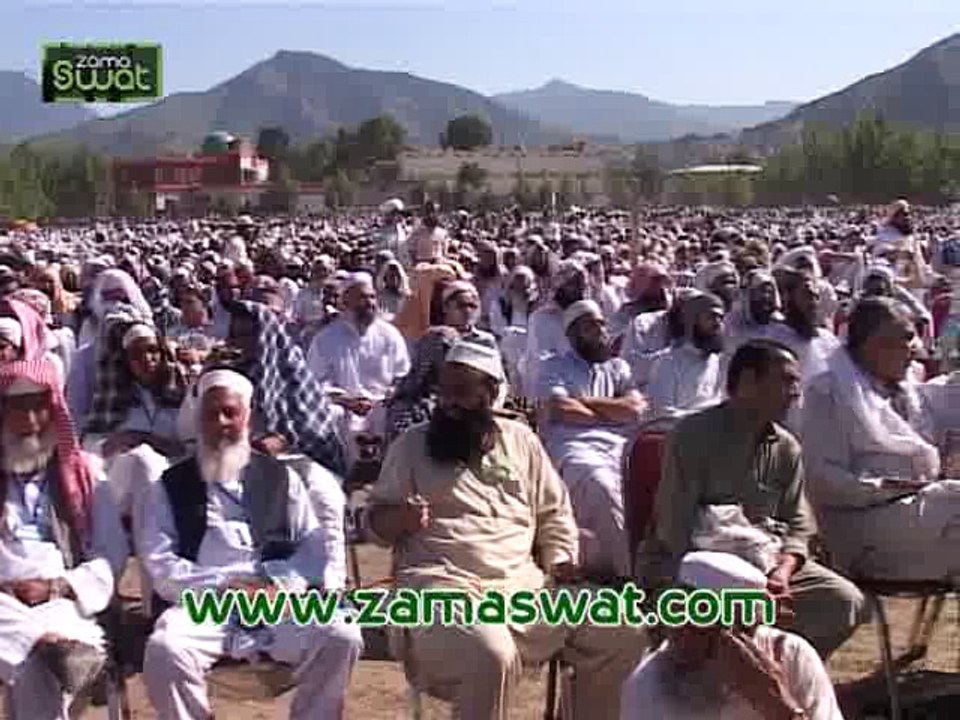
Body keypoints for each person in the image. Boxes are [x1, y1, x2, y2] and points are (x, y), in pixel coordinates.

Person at [368, 340, 645, 720]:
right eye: (443, 392)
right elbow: (375, 524)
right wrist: (400, 518)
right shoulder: (412, 445)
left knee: (624, 630)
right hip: (441, 588)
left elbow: (554, 513)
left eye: (461, 392)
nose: (447, 403)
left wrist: (560, 559)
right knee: (490, 651)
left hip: (524, 588)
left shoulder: (521, 441)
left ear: (491, 393)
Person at [140, 369, 363, 720]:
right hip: (205, 603)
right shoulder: (169, 484)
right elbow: (159, 561)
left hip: (277, 602)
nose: (220, 423)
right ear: (198, 420)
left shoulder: (282, 477)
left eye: (230, 413)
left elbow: (311, 546)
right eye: (211, 414)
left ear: (248, 417)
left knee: (341, 635)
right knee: (166, 648)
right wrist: (224, 585)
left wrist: (281, 585)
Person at [639, 340, 866, 659]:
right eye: (786, 380)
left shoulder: (786, 447)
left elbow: (799, 524)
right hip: (689, 566)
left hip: (768, 565)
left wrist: (782, 572)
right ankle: (721, 678)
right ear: (747, 381)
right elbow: (675, 529)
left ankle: (779, 673)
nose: (795, 393)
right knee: (716, 612)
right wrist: (746, 585)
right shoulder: (693, 435)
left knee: (843, 601)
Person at [0, 359, 126, 719]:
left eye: (39, 406)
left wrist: (56, 587)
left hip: (60, 599)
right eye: (18, 407)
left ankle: (43, 642)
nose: (31, 420)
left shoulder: (85, 474)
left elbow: (111, 555)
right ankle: (45, 642)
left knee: (35, 668)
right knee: (45, 655)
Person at [802, 297, 960, 580]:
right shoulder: (828, 392)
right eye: (905, 339)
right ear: (873, 345)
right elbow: (824, 482)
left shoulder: (907, 390)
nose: (913, 348)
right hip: (863, 522)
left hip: (917, 509)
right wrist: (888, 487)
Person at [621, 551, 843, 720]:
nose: (681, 637)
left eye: (700, 623)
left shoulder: (791, 656)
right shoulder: (648, 683)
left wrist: (778, 706)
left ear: (743, 635)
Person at [537, 300, 646, 577]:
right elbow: (561, 409)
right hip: (573, 446)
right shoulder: (553, 366)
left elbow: (635, 409)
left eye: (602, 324)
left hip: (621, 445)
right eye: (591, 325)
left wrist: (583, 402)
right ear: (573, 333)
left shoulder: (618, 367)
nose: (600, 331)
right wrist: (613, 413)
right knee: (600, 485)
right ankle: (629, 573)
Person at [307, 272, 410, 467]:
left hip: (382, 405)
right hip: (344, 407)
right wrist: (347, 401)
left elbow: (402, 374)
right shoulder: (326, 338)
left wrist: (391, 393)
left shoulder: (389, 334)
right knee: (332, 414)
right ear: (345, 302)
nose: (370, 303)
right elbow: (314, 384)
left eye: (372, 297)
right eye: (362, 297)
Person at [386, 279, 498, 441]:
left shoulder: (486, 341)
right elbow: (416, 381)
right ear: (446, 307)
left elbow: (497, 381)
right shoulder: (435, 337)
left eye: (472, 306)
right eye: (461, 305)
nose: (467, 311)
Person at [645, 292, 726, 424]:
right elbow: (661, 415)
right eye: (711, 316)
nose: (718, 323)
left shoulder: (720, 363)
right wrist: (703, 418)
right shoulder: (668, 362)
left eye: (721, 318)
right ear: (693, 320)